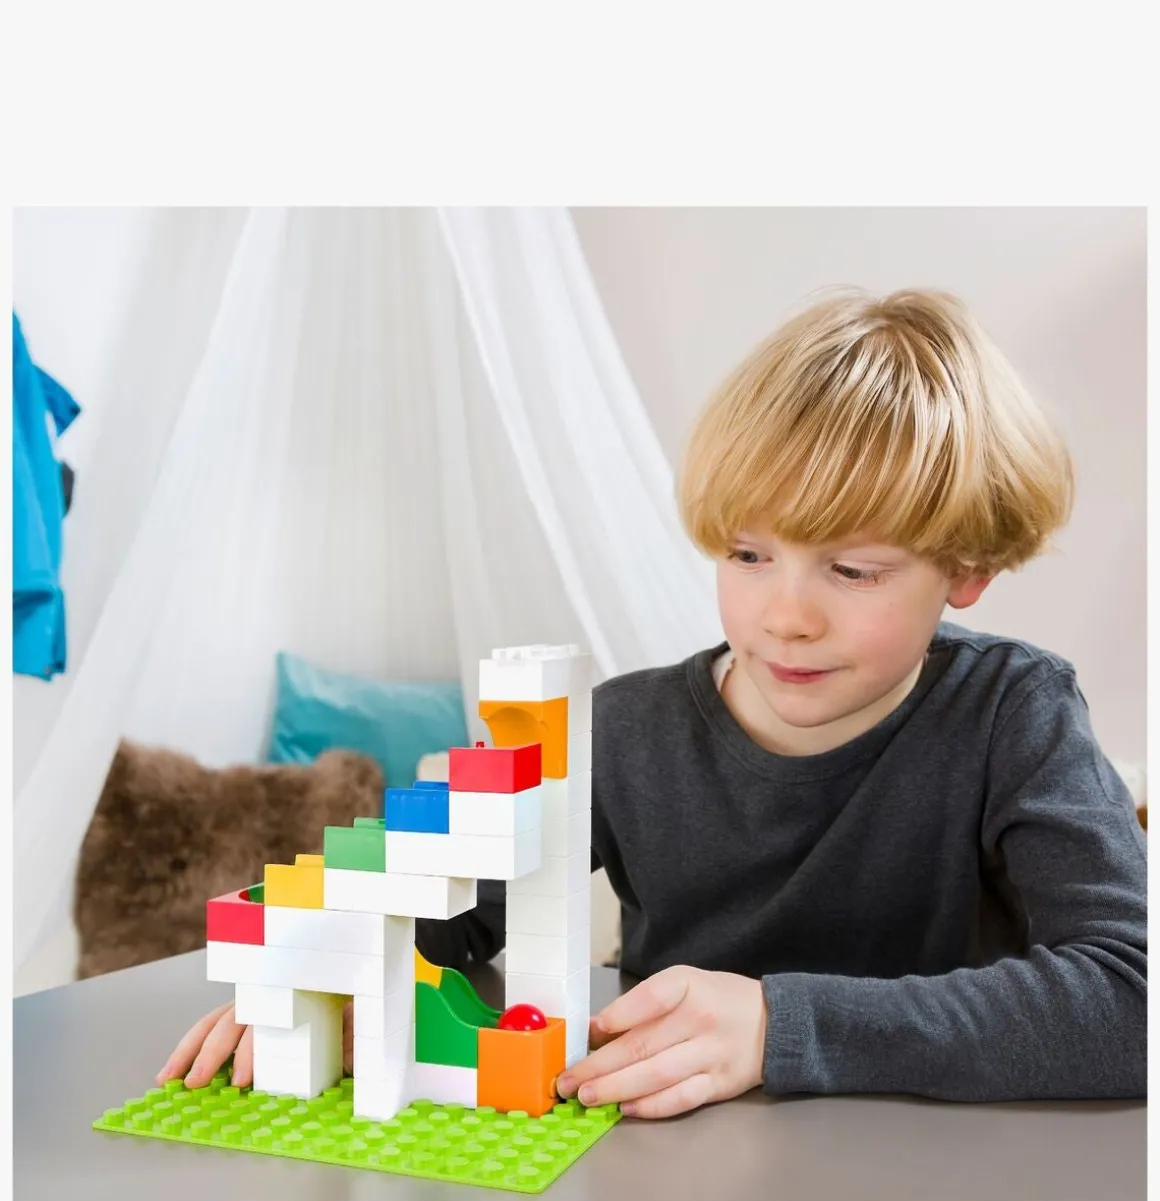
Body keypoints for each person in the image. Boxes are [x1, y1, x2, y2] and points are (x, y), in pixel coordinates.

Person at [159, 288, 1147, 1116]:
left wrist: (779, 1024)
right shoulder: (620, 731)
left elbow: (1131, 997)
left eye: (851, 569)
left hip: (932, 1194)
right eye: (747, 554)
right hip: (658, 1176)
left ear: (966, 569)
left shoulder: (1014, 714)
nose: (785, 616)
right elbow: (444, 917)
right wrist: (330, 978)